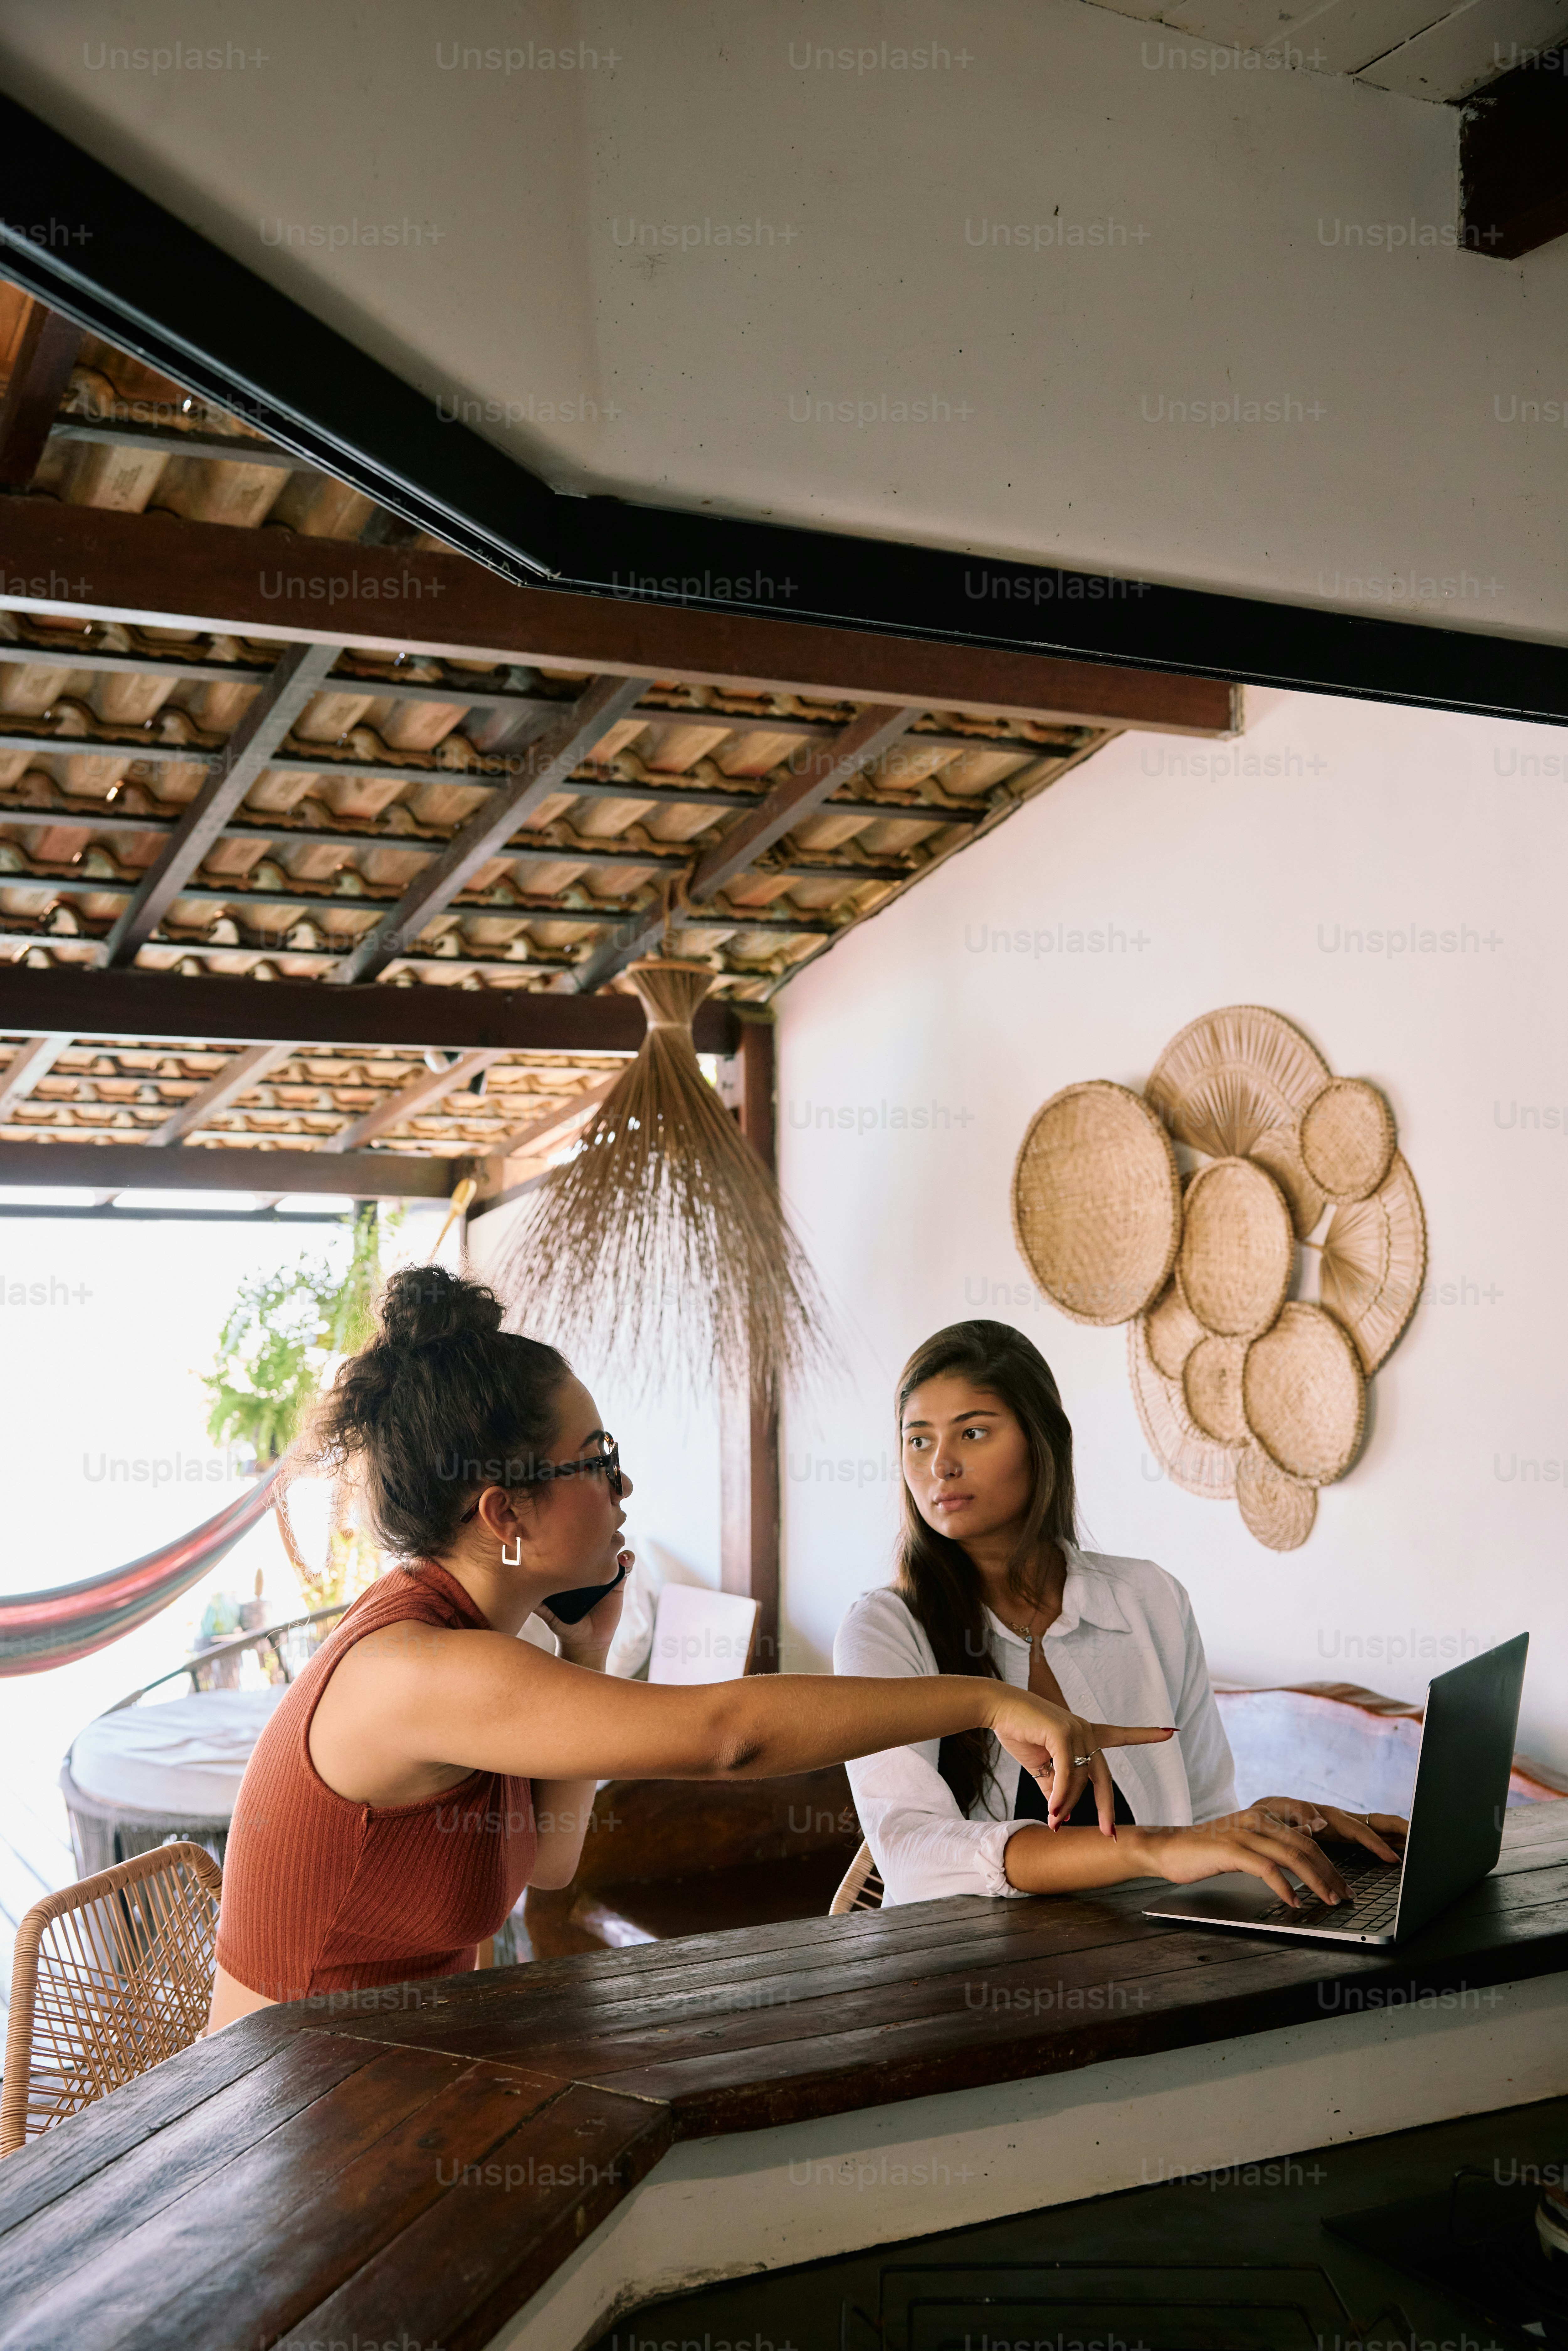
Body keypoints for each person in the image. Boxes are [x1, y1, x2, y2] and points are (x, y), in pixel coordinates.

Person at [208, 1274, 1172, 2031]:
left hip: (393, 2066)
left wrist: (584, 1652)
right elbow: (727, 1737)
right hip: (291, 2113)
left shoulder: (477, 1646)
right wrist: (985, 1699)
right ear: (504, 1513)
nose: (623, 1480)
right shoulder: (419, 1669)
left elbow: (548, 1863)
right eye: (594, 1457)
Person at [833, 1320, 1406, 1909]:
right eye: (918, 1439)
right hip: (965, 1973)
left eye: (973, 1433)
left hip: (1153, 1959)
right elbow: (910, 1852)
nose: (941, 1466)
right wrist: (1148, 1848)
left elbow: (1202, 1817)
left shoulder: (1149, 1598)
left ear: (1042, 1439)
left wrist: (1271, 1828)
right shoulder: (884, 1630)